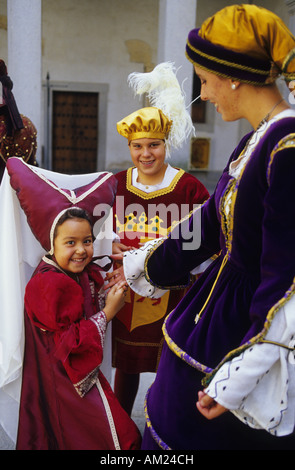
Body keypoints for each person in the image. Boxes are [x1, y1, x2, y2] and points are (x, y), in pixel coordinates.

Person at [111, 5, 295, 449]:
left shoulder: (287, 148)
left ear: (233, 75)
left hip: (245, 329)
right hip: (214, 314)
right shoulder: (257, 139)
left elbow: (286, 278)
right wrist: (142, 264)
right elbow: (209, 225)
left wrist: (242, 372)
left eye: (205, 79)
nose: (205, 94)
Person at [5, 157, 141, 450]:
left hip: (70, 378)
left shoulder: (69, 271)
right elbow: (68, 341)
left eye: (88, 240)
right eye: (70, 243)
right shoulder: (51, 283)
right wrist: (108, 312)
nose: (81, 250)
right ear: (50, 243)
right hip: (65, 383)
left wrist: (104, 293)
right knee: (122, 439)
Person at [109, 62, 209, 416]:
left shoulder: (188, 187)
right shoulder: (116, 184)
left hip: (175, 292)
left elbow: (204, 239)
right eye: (138, 146)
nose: (146, 154)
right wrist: (107, 243)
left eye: (154, 145)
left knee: (170, 366)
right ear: (130, 146)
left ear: (166, 144)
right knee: (128, 365)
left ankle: (164, 425)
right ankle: (122, 428)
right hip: (128, 294)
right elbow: (97, 225)